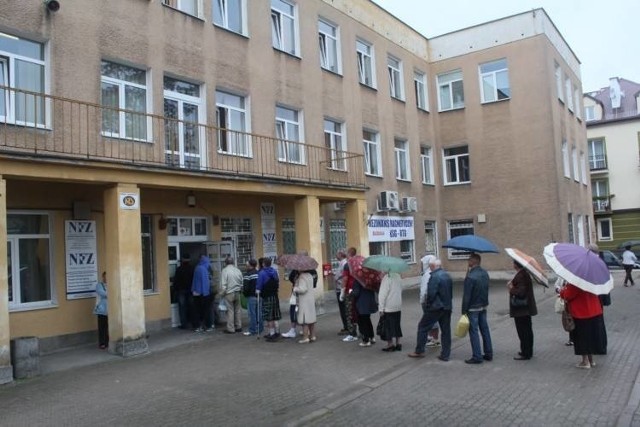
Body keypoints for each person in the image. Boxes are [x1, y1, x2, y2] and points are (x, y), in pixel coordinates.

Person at [408, 259, 452, 361]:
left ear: (432, 266)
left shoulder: (434, 276)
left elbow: (431, 293)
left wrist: (427, 305)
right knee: (446, 331)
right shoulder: (447, 275)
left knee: (422, 327)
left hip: (436, 307)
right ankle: (445, 354)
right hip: (447, 306)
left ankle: (419, 350)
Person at [560, 282, 607, 368]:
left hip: (581, 313)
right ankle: (591, 360)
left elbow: (567, 295)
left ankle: (585, 361)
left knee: (582, 338)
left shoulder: (576, 282)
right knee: (590, 338)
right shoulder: (591, 280)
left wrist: (562, 290)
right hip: (594, 311)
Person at [461, 253, 493, 364]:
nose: (467, 261)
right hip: (483, 306)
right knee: (484, 329)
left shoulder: (470, 277)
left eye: (469, 259)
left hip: (473, 308)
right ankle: (489, 353)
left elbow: (466, 296)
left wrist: (464, 310)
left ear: (473, 261)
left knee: (473, 331)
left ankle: (477, 356)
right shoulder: (485, 273)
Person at [508, 261, 537, 360]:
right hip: (525, 309)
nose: (512, 264)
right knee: (527, 330)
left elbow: (521, 292)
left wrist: (511, 288)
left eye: (514, 263)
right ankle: (527, 350)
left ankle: (526, 352)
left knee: (523, 331)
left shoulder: (521, 275)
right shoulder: (524, 274)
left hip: (521, 309)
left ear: (516, 265)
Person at [256, 257, 281, 341]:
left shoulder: (262, 273)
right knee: (275, 315)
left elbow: (259, 285)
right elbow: (277, 281)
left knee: (269, 316)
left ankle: (272, 334)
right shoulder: (274, 271)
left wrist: (257, 291)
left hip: (266, 296)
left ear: (263, 264)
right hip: (274, 295)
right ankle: (277, 332)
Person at [378, 272, 403, 352]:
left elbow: (382, 295)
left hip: (388, 306)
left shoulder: (386, 278)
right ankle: (398, 343)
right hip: (397, 305)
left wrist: (381, 308)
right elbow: (400, 289)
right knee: (397, 324)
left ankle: (390, 345)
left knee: (388, 326)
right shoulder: (398, 276)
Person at [220, 256, 244, 334]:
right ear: (233, 262)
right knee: (237, 310)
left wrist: (221, 294)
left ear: (225, 263)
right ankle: (238, 326)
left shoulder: (225, 270)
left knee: (230, 311)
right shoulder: (238, 270)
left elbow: (223, 284)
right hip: (237, 292)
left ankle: (231, 328)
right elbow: (241, 282)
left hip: (229, 293)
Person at [340, 247, 359, 343]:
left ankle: (352, 334)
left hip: (349, 291)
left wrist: (342, 291)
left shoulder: (348, 265)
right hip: (358, 291)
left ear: (349, 254)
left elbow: (345, 279)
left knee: (349, 313)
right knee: (357, 312)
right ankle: (363, 333)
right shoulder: (358, 263)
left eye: (347, 253)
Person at [420, 254, 440, 347]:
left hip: (428, 301)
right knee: (430, 320)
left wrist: (424, 300)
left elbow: (426, 289)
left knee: (431, 321)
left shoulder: (428, 274)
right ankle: (431, 337)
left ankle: (435, 339)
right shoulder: (429, 273)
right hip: (429, 301)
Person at [293, 270, 317, 343]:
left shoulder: (302, 277)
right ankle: (312, 336)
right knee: (311, 319)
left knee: (305, 320)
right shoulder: (310, 275)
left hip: (304, 301)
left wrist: (295, 288)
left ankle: (305, 337)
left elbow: (303, 289)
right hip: (310, 300)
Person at [351, 279, 377, 347]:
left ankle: (366, 340)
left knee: (362, 322)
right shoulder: (370, 279)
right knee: (368, 320)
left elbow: (356, 293)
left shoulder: (357, 280)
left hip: (361, 304)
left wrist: (351, 291)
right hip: (369, 303)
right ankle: (372, 337)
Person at [192, 255, 214, 332]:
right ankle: (208, 326)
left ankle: (198, 327)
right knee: (206, 311)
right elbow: (205, 282)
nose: (209, 264)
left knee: (197, 311)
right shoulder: (203, 269)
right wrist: (206, 293)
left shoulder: (197, 267)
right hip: (203, 294)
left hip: (196, 293)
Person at [173, 257, 194, 330]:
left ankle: (184, 324)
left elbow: (175, 281)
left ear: (182, 261)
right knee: (191, 307)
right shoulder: (192, 269)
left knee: (182, 308)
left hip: (181, 290)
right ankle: (193, 322)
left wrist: (175, 289)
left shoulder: (179, 269)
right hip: (190, 290)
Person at [242, 259, 262, 336]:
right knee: (259, 313)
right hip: (259, 296)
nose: (246, 266)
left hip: (251, 297)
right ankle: (260, 329)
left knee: (252, 314)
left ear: (250, 265)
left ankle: (252, 330)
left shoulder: (247, 275)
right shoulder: (259, 273)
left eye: (247, 265)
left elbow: (246, 288)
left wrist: (245, 294)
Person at [334, 250, 349, 335]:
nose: (336, 256)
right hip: (339, 288)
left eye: (337, 254)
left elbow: (343, 276)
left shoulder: (344, 264)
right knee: (342, 309)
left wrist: (337, 278)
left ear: (340, 255)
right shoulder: (341, 263)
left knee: (344, 309)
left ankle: (347, 327)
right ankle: (346, 326)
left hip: (341, 289)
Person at [282, 269, 300, 339]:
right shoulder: (296, 271)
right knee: (294, 312)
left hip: (298, 297)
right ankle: (293, 330)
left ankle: (305, 331)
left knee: (296, 313)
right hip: (296, 296)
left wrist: (295, 285)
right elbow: (290, 278)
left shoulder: (303, 275)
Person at [94, 271, 108, 349]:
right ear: (103, 277)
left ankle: (107, 342)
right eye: (105, 276)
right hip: (102, 309)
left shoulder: (111, 284)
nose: (107, 278)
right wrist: (112, 293)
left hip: (110, 310)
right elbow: (103, 294)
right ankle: (102, 343)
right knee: (102, 327)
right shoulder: (99, 285)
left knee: (108, 327)